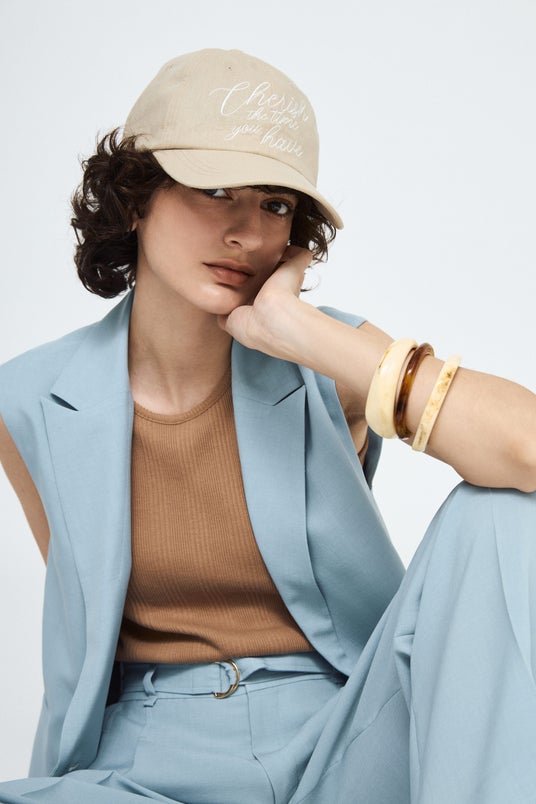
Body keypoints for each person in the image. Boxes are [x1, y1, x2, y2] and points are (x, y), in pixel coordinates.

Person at [0, 48, 535, 804]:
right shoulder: (30, 399)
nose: (248, 233)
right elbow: (87, 633)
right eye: (215, 189)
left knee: (503, 509)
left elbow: (527, 451)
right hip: (148, 769)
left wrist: (301, 330)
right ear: (136, 198)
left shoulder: (332, 363)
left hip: (349, 743)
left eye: (276, 205)